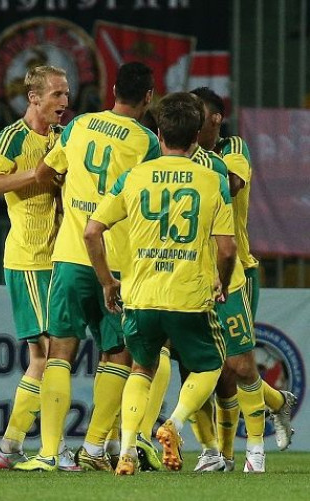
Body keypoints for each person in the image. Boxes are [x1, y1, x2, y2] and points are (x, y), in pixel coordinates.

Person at [15, 62, 160, 473]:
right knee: (118, 354)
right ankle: (94, 447)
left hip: (70, 255)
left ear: (113, 90)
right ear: (149, 97)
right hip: (118, 263)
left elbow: (44, 172)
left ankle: (48, 453)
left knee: (59, 351)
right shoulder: (147, 141)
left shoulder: (78, 127)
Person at [84, 91, 237, 475]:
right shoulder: (213, 179)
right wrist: (222, 282)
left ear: (159, 133)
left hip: (140, 295)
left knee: (141, 368)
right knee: (210, 366)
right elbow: (227, 247)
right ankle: (174, 423)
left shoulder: (133, 177)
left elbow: (91, 231)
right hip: (189, 295)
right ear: (197, 133)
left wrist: (107, 281)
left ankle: (126, 452)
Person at [0, 65, 80, 472]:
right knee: (51, 354)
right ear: (33, 98)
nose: (64, 101)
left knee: (46, 356)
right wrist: (34, 175)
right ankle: (46, 447)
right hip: (30, 259)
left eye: (66, 93)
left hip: (59, 258)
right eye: (56, 94)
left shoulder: (62, 138)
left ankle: (11, 445)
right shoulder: (13, 138)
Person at [186, 87, 296, 472]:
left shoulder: (232, 148)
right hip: (192, 271)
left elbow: (232, 186)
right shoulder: (181, 157)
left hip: (237, 269)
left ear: (216, 118)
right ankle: (219, 451)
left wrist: (195, 160)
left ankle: (250, 451)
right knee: (207, 368)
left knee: (237, 364)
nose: (192, 120)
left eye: (198, 113)